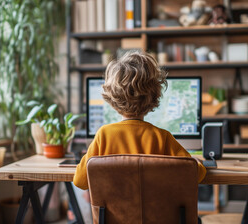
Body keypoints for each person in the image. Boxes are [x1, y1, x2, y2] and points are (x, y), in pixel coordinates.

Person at [73, 51, 207, 190]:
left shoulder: (104, 136)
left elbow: (80, 181)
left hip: (114, 212)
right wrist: (197, 162)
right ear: (155, 95)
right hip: (156, 212)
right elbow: (198, 174)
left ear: (112, 97)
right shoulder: (162, 138)